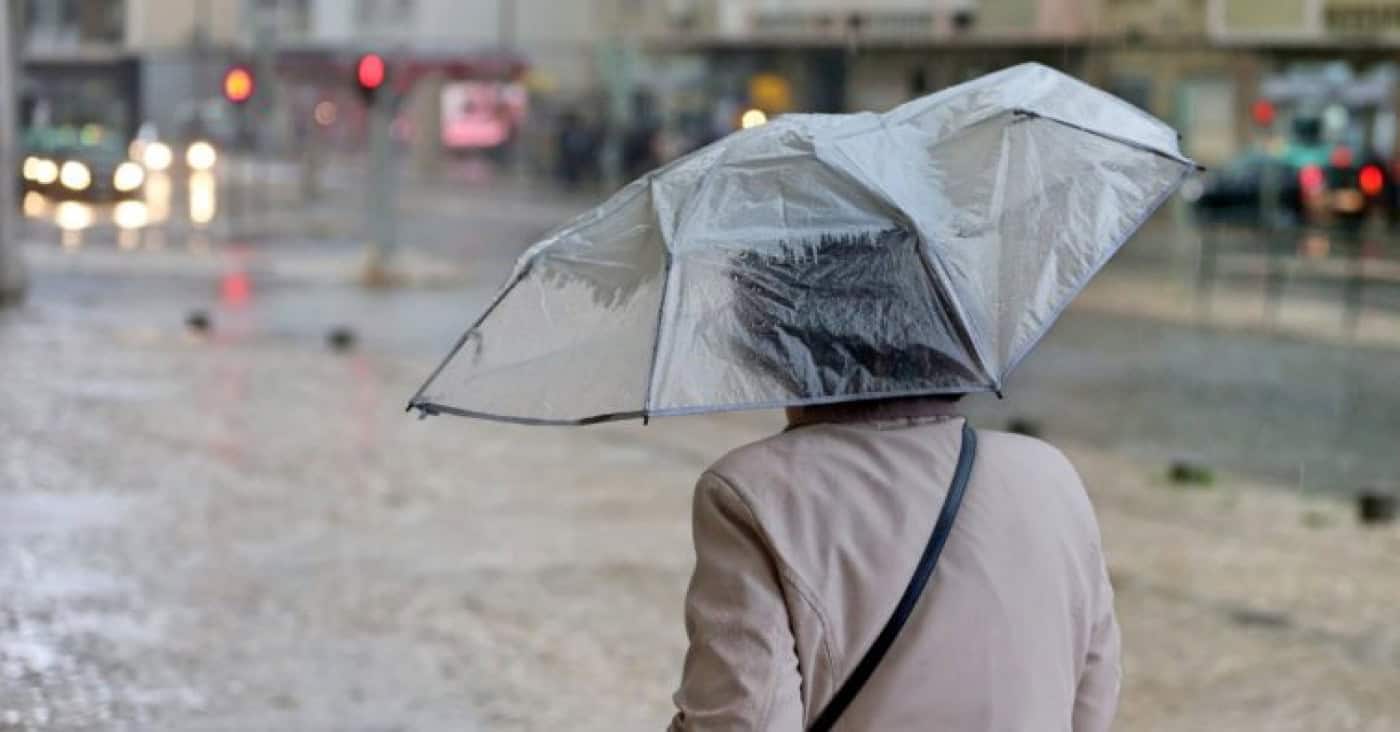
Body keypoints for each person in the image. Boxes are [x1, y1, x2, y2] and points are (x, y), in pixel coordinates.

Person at [667, 230, 1120, 730]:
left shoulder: (753, 490)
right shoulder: (1048, 473)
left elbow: (744, 719)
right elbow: (1092, 691)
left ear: (779, 345)